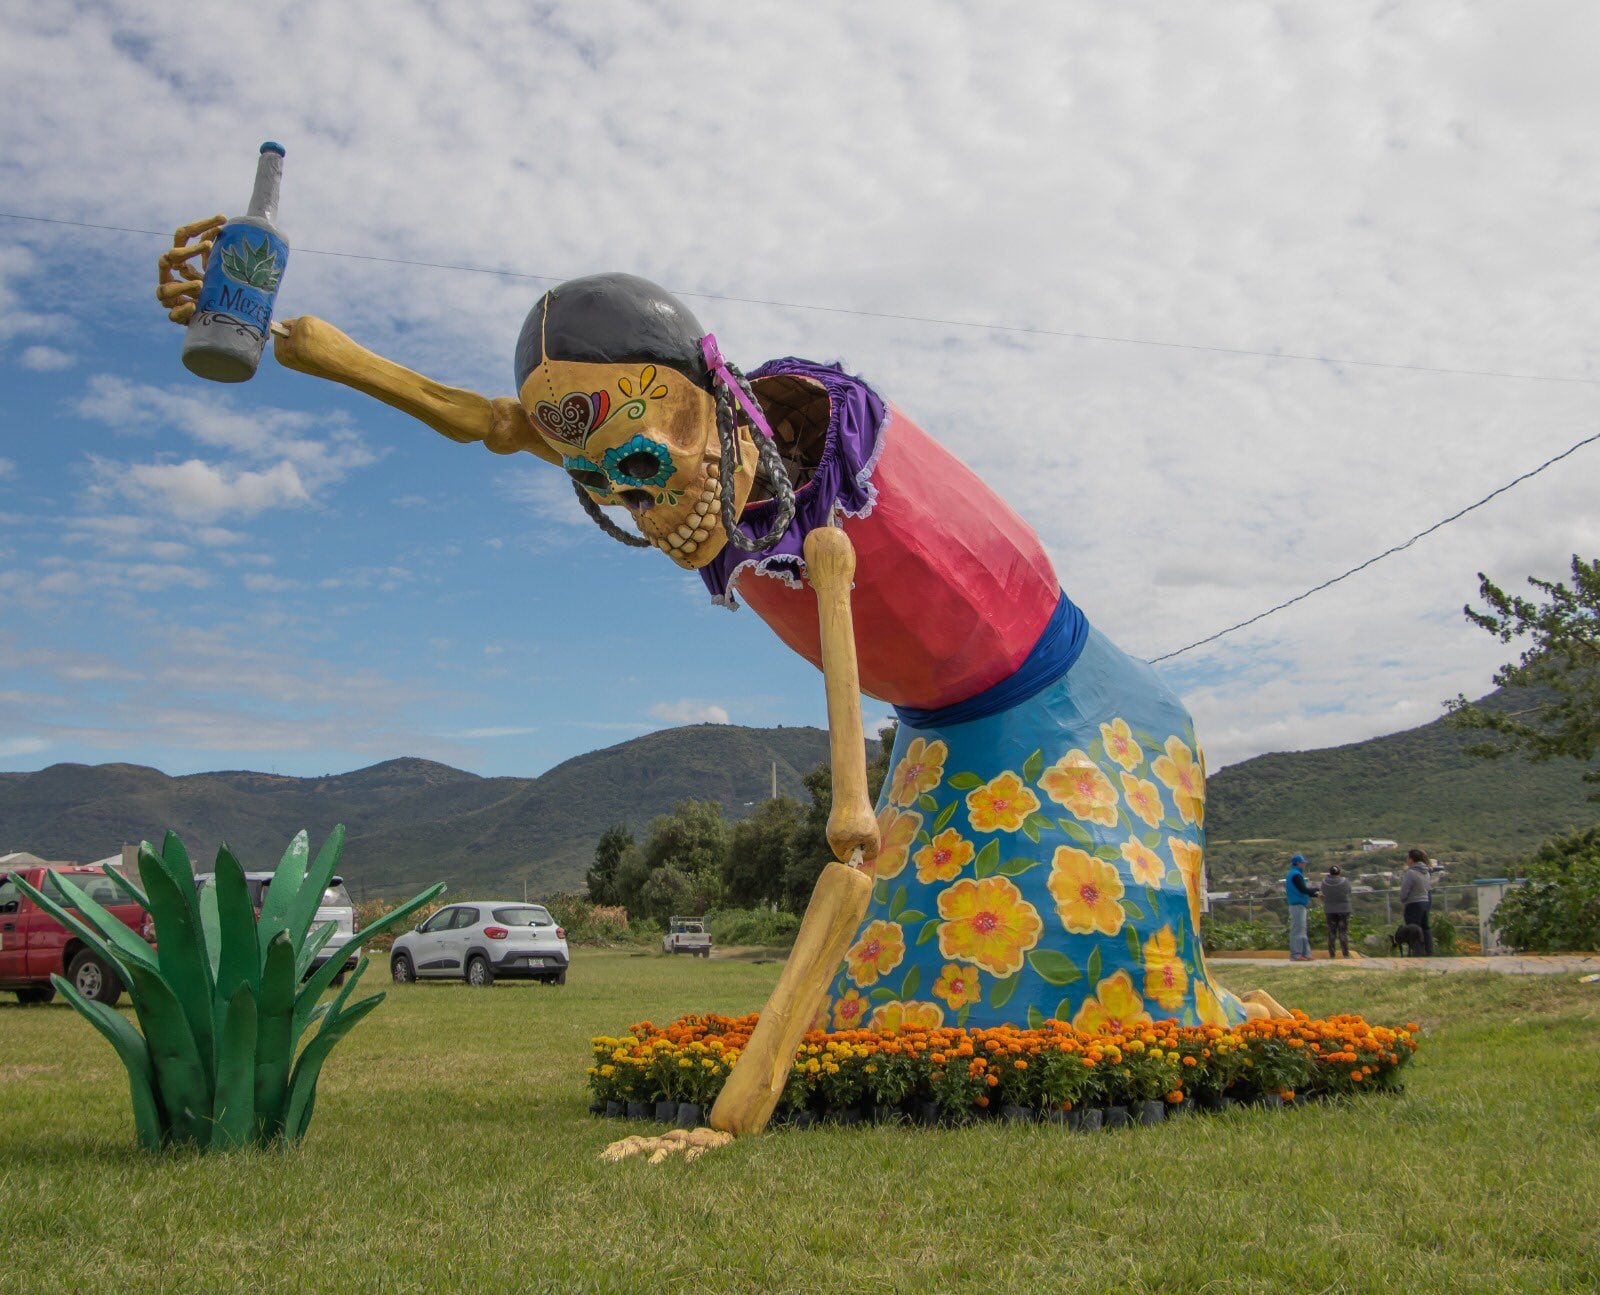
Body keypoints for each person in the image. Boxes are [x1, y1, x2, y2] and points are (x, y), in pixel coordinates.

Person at [1398, 848, 1434, 956]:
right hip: (1424, 902)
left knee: (1413, 929)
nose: (1406, 860)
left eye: (1408, 858)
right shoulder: (1426, 872)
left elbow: (1405, 890)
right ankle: (1428, 951)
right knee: (1425, 927)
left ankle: (1417, 953)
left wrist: (1403, 899)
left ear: (1412, 859)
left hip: (1413, 903)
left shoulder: (1411, 873)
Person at [1284, 854, 1319, 961]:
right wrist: (1317, 890)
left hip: (1299, 904)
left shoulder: (1294, 874)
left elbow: (1303, 890)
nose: (1304, 864)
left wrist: (1316, 893)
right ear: (1298, 863)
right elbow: (1303, 889)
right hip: (1297, 905)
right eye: (1303, 862)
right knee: (1298, 930)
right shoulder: (1296, 875)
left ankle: (1305, 954)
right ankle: (1296, 954)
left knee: (1302, 930)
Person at [1321, 865, 1352, 958]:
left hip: (1329, 910)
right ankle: (1345, 954)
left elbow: (1322, 892)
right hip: (1343, 909)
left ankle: (1332, 954)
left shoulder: (1324, 882)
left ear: (1330, 873)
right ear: (1339, 872)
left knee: (1331, 932)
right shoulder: (1344, 881)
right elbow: (1349, 891)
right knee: (1343, 932)